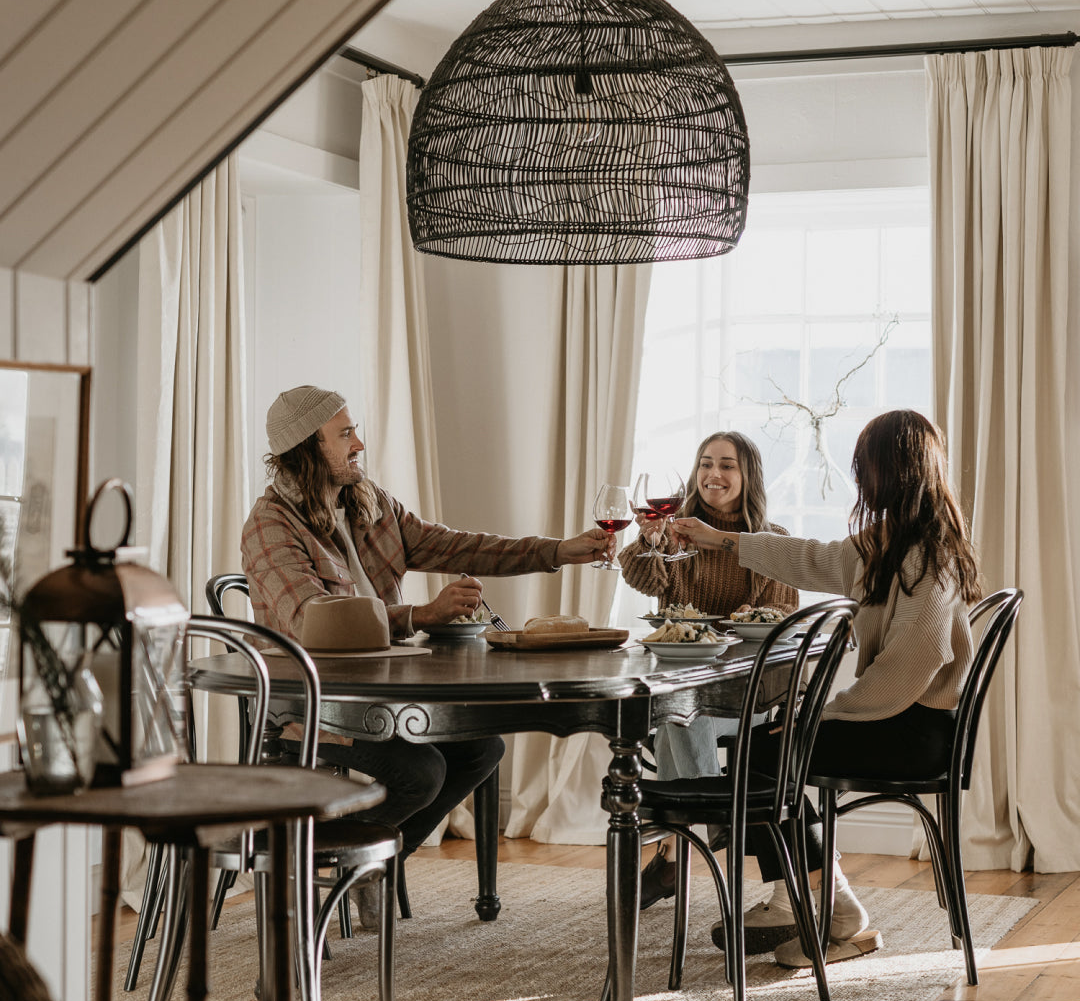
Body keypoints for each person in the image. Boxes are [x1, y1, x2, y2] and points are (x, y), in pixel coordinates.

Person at [242, 385, 614, 924]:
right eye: (344, 434)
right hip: (314, 709)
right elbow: (312, 621)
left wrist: (556, 551)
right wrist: (419, 617)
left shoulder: (367, 501)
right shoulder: (270, 525)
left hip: (384, 697)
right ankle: (330, 866)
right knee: (419, 770)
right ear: (306, 446)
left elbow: (456, 545)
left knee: (482, 750)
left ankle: (372, 866)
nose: (358, 443)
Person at [670, 409, 982, 967]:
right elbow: (811, 558)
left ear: (897, 469)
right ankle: (827, 903)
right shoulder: (892, 540)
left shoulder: (925, 552)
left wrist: (824, 714)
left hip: (915, 730)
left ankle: (818, 904)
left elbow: (916, 659)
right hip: (903, 719)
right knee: (760, 750)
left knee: (760, 753)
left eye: (865, 463)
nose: (858, 473)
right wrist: (725, 540)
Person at [618, 432, 798, 913]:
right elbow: (641, 577)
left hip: (753, 700)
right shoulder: (678, 536)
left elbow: (777, 629)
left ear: (748, 477)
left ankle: (684, 845)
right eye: (705, 463)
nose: (713, 474)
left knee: (682, 715)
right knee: (676, 711)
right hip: (685, 687)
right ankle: (699, 835)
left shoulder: (771, 543)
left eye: (728, 465)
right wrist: (650, 539)